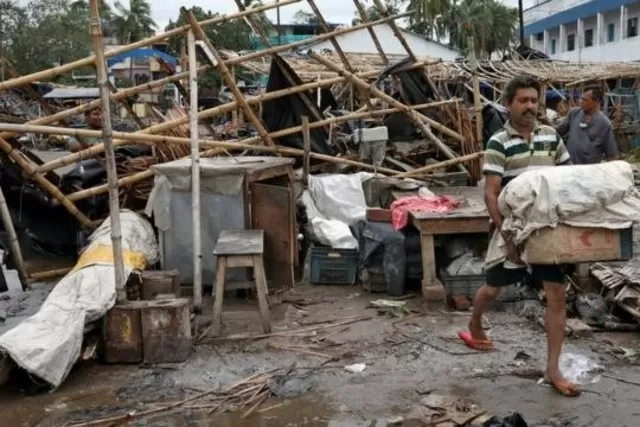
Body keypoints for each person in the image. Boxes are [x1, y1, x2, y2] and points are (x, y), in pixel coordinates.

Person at [458, 76, 581, 397]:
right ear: (508, 104)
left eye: (533, 100)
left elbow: (568, 179)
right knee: (493, 286)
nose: (530, 106)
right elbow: (490, 194)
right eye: (523, 100)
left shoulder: (551, 137)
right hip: (511, 228)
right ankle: (474, 323)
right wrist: (507, 236)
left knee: (556, 294)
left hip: (546, 231)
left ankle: (553, 370)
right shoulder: (499, 141)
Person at [556, 85, 618, 164]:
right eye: (581, 98)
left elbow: (611, 155)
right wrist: (545, 122)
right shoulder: (575, 113)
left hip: (588, 172)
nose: (581, 102)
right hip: (569, 168)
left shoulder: (605, 124)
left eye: (585, 100)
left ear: (596, 101)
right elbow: (558, 132)